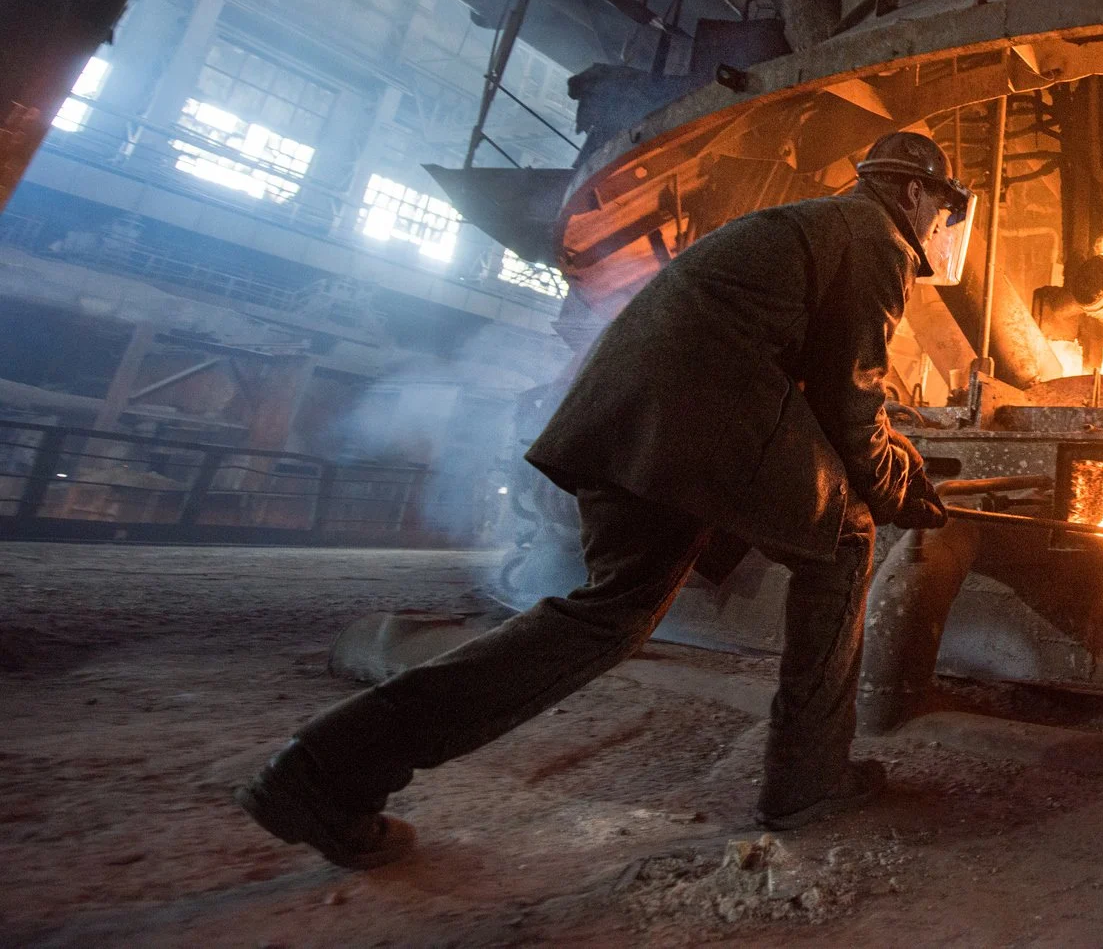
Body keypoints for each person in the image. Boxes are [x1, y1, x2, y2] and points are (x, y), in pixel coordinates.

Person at [235, 132, 965, 868]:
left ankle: (325, 769)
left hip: (632, 420)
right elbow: (851, 402)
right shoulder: (876, 238)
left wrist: (899, 464)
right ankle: (807, 780)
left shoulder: (813, 227)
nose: (942, 225)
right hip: (697, 421)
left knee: (607, 617)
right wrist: (901, 492)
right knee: (843, 540)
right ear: (911, 191)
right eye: (945, 206)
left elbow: (832, 398)